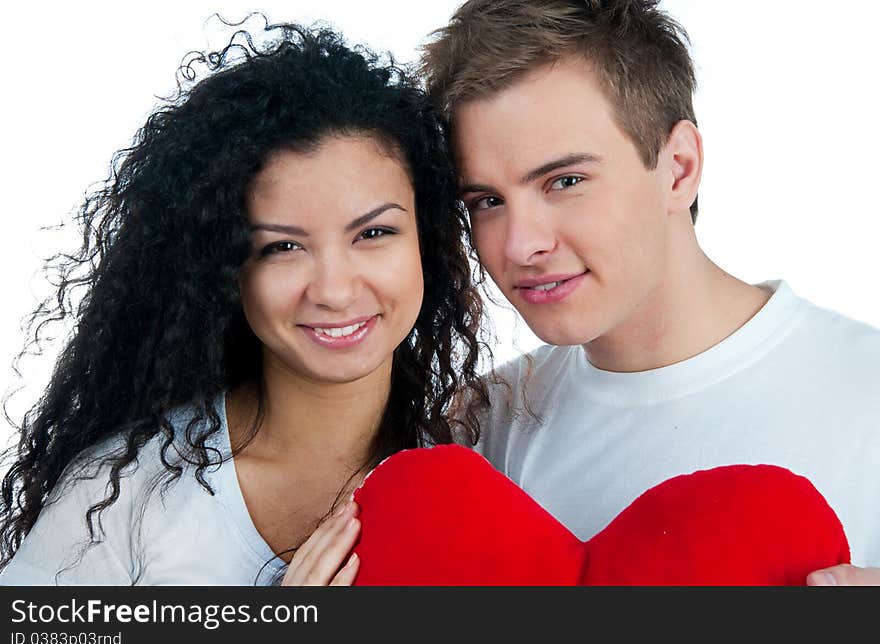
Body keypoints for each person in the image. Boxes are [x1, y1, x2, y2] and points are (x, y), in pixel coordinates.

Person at [0, 20, 489, 585]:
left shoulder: (488, 468)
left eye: (374, 234)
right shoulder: (119, 495)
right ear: (225, 270)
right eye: (282, 247)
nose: (334, 290)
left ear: (427, 238)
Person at [416, 0, 880, 585]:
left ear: (679, 169)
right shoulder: (486, 424)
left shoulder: (866, 398)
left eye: (565, 181)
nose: (519, 245)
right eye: (487, 201)